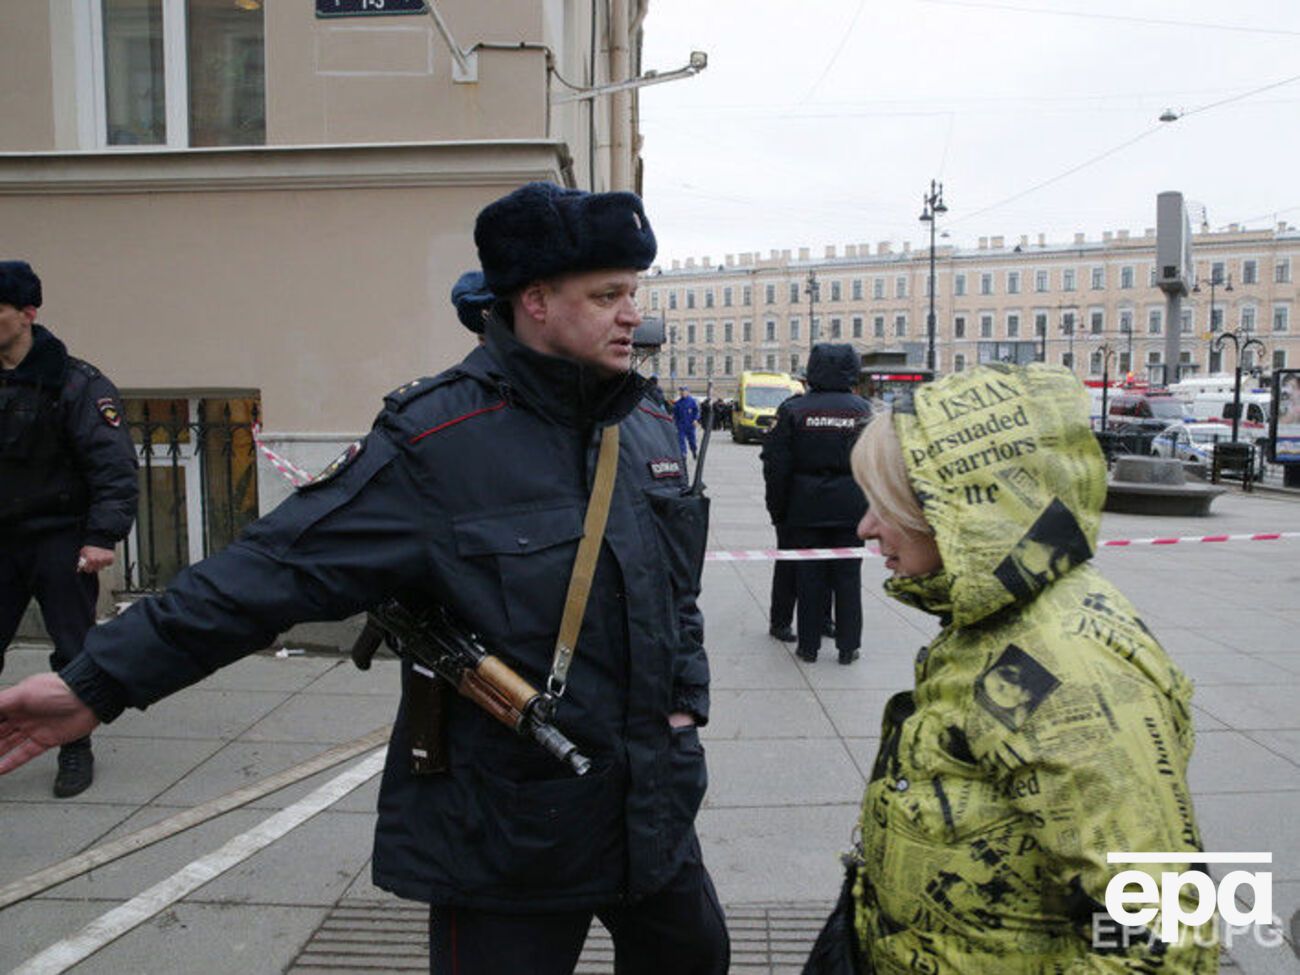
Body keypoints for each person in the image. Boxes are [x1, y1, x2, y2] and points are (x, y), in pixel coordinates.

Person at [0, 184, 728, 975]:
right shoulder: (437, 441)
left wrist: (684, 708)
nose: (632, 315)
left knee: (697, 958)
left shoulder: (644, 421)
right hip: (510, 835)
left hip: (650, 807)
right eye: (608, 295)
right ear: (536, 301)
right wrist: (97, 680)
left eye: (633, 292)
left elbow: (675, 591)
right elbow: (266, 572)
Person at [842, 363, 1216, 971]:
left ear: (960, 510)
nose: (866, 528)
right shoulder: (996, 613)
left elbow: (1163, 940)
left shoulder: (1069, 666)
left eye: (885, 506)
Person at [0, 260, 138, 798]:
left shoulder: (75, 382)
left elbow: (112, 465)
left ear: (27, 314)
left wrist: (102, 536)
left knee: (73, 651)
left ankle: (75, 746)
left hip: (59, 536)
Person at [761, 344, 870, 664]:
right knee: (848, 577)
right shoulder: (863, 410)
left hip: (804, 506)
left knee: (809, 576)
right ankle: (848, 646)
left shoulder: (794, 409)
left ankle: (808, 646)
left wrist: (778, 509)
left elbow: (777, 465)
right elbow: (876, 463)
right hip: (850, 505)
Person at [674, 385, 699, 459]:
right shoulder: (678, 403)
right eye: (681, 391)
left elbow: (696, 411)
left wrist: (695, 419)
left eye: (684, 391)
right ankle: (683, 454)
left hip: (690, 425)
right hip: (681, 425)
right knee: (681, 440)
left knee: (692, 441)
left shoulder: (692, 401)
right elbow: (675, 415)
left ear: (687, 392)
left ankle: (694, 451)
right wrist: (675, 423)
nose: (682, 393)